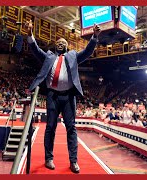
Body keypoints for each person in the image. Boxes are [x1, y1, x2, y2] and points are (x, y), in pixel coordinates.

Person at [25, 19, 101, 173]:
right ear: (55, 46)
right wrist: (30, 33)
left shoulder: (73, 56)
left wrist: (94, 36)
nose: (60, 43)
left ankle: (73, 161)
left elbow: (86, 52)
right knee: (50, 127)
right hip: (52, 95)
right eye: (58, 42)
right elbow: (35, 49)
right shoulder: (48, 57)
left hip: (68, 97)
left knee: (71, 128)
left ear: (67, 46)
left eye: (63, 42)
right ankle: (48, 158)